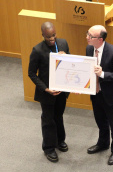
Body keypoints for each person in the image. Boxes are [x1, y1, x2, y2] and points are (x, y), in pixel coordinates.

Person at [28, 22, 70, 163]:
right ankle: (49, 148)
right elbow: (31, 73)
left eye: (53, 35)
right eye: (48, 37)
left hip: (61, 91)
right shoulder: (37, 50)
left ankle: (60, 140)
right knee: (48, 120)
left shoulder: (63, 43)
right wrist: (46, 89)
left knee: (59, 116)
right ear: (42, 35)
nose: (52, 39)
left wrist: (66, 57)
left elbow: (70, 64)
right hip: (47, 92)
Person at [85, 25, 113, 165]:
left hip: (110, 94)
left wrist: (102, 74)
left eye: (90, 36)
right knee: (100, 120)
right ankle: (103, 144)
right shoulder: (89, 48)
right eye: (88, 34)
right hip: (95, 93)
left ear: (100, 39)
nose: (87, 37)